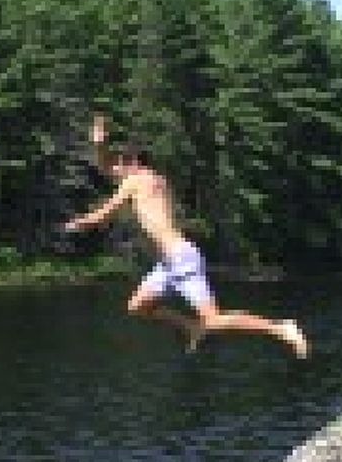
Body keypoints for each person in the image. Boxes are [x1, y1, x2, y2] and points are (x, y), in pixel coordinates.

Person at [63, 115, 310, 357]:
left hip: (181, 259)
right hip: (168, 264)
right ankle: (191, 326)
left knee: (214, 319)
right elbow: (105, 167)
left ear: (134, 162)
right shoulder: (153, 179)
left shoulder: (137, 180)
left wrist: (77, 223)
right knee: (138, 306)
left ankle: (280, 328)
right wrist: (99, 144)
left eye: (120, 163)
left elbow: (103, 214)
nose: (115, 169)